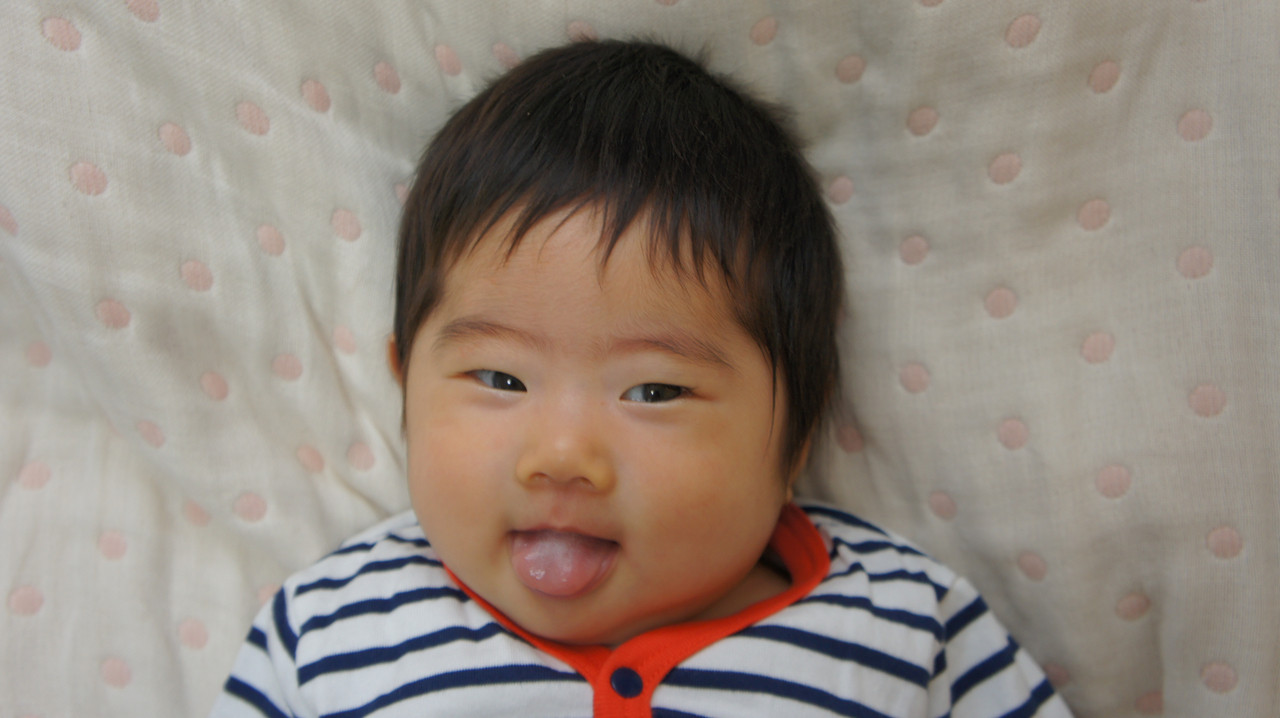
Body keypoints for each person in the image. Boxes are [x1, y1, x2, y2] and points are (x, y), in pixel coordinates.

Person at [211, 39, 1072, 717]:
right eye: (499, 379)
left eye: (654, 391)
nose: (561, 455)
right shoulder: (330, 629)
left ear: (799, 428)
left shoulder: (903, 627)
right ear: (406, 384)